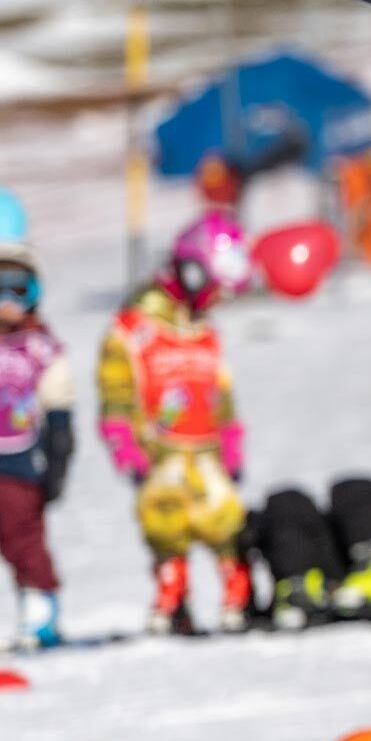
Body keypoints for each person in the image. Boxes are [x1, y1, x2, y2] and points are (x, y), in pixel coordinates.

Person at [100, 212, 253, 635]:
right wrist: (121, 439)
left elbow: (220, 391)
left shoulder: (204, 331)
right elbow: (116, 388)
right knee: (164, 519)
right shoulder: (135, 329)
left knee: (222, 515)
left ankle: (235, 587)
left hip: (205, 451)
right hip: (158, 451)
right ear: (191, 271)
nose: (220, 301)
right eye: (217, 290)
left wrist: (232, 437)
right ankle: (173, 591)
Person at [0, 241, 74, 651]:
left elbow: (58, 402)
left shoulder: (39, 346)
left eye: (18, 291)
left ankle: (39, 605)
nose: (8, 303)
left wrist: (58, 458)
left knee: (22, 537)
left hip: (20, 461)